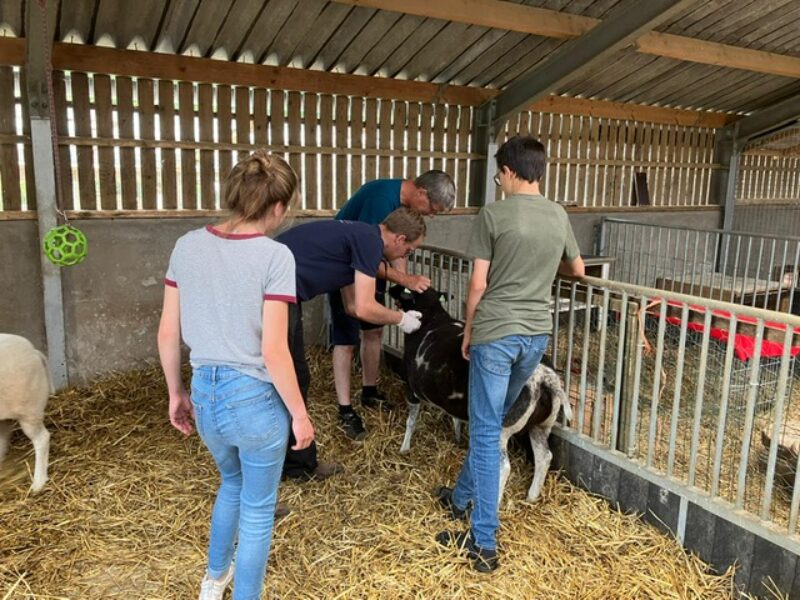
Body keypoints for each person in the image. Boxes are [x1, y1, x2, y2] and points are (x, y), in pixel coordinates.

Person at [157, 151, 315, 600]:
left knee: (231, 483)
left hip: (205, 393)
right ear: (279, 206)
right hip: (254, 400)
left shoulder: (187, 245)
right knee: (259, 509)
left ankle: (213, 580)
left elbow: (168, 332)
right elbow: (273, 350)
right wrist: (300, 416)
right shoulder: (275, 256)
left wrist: (176, 392)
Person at [434, 136, 585, 573]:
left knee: (484, 431)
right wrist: (541, 263)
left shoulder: (494, 214)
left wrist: (469, 330)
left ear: (514, 171)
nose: (498, 177)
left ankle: (483, 542)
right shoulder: (558, 215)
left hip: (497, 333)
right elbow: (576, 269)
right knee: (492, 419)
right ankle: (460, 498)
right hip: (535, 336)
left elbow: (478, 284)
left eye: (500, 171)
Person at [275, 207, 426, 478]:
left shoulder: (359, 235)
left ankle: (297, 463)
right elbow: (364, 307)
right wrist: (401, 319)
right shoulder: (369, 242)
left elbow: (352, 306)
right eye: (409, 250)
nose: (405, 257)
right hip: (274, 292)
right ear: (400, 239)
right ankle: (285, 466)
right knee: (290, 377)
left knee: (296, 375)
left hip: (281, 291)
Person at [330, 171, 456, 439]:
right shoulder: (380, 199)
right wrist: (403, 279)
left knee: (374, 329)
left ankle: (369, 391)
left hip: (371, 268)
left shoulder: (404, 207)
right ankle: (345, 409)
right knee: (347, 338)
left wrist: (406, 283)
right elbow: (361, 253)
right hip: (345, 269)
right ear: (422, 193)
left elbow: (399, 250)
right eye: (433, 209)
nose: (431, 215)